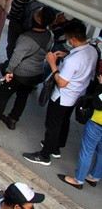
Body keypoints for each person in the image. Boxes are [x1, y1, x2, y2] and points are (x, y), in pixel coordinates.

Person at [23, 21, 98, 165]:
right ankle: (56, 148)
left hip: (62, 96)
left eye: (69, 38)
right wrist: (66, 54)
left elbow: (62, 83)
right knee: (63, 122)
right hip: (77, 94)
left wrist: (52, 63)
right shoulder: (92, 51)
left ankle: (45, 155)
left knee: (52, 125)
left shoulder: (74, 60)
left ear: (72, 39)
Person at [0, 6, 55, 130]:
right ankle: (12, 119)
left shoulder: (27, 38)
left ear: (38, 19)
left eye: (37, 13)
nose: (34, 12)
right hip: (36, 73)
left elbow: (16, 58)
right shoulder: (50, 35)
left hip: (20, 73)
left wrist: (8, 71)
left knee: (3, 92)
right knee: (22, 95)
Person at [58, 73, 102, 189]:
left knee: (87, 151)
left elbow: (98, 103)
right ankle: (94, 177)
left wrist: (101, 85)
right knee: (101, 152)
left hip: (98, 122)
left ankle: (78, 179)